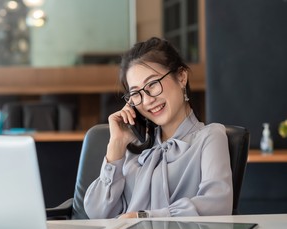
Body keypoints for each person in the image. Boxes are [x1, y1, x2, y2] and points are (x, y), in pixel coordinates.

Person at [84, 37, 233, 219]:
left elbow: (218, 205)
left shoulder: (210, 137)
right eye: (136, 93)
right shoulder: (135, 148)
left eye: (153, 85)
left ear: (181, 77)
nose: (146, 100)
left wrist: (145, 217)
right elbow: (96, 213)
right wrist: (116, 144)